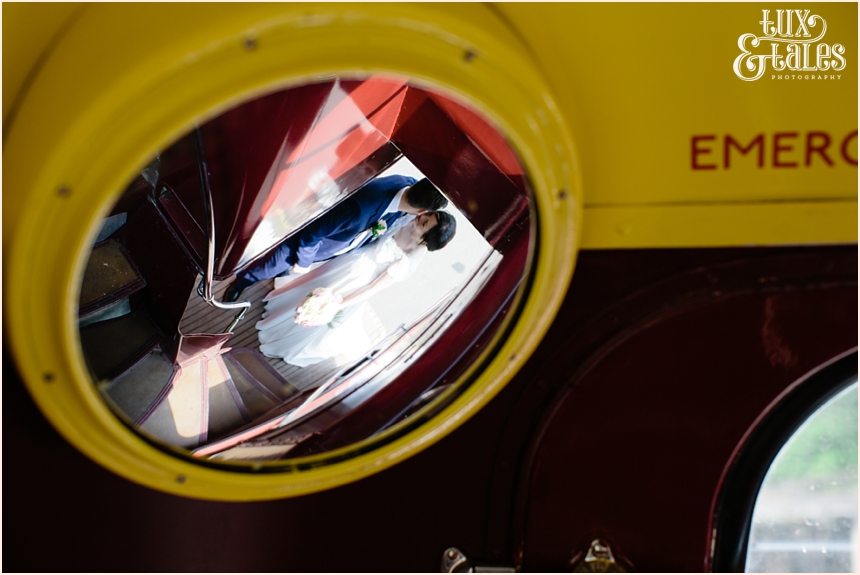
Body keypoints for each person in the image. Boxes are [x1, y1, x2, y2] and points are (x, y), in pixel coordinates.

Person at [255, 211, 456, 368]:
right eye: (428, 215)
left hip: (355, 284)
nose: (422, 217)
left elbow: (372, 288)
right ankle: (282, 309)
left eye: (425, 223)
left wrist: (336, 303)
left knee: (318, 302)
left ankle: (289, 334)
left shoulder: (407, 262)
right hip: (346, 262)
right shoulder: (406, 219)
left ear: (424, 239)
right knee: (310, 286)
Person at [223, 175, 448, 302]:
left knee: (283, 271)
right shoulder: (361, 209)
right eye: (426, 215)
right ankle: (241, 282)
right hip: (314, 243)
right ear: (420, 211)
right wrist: (303, 263)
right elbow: (313, 233)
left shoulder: (407, 184)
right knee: (271, 266)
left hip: (339, 247)